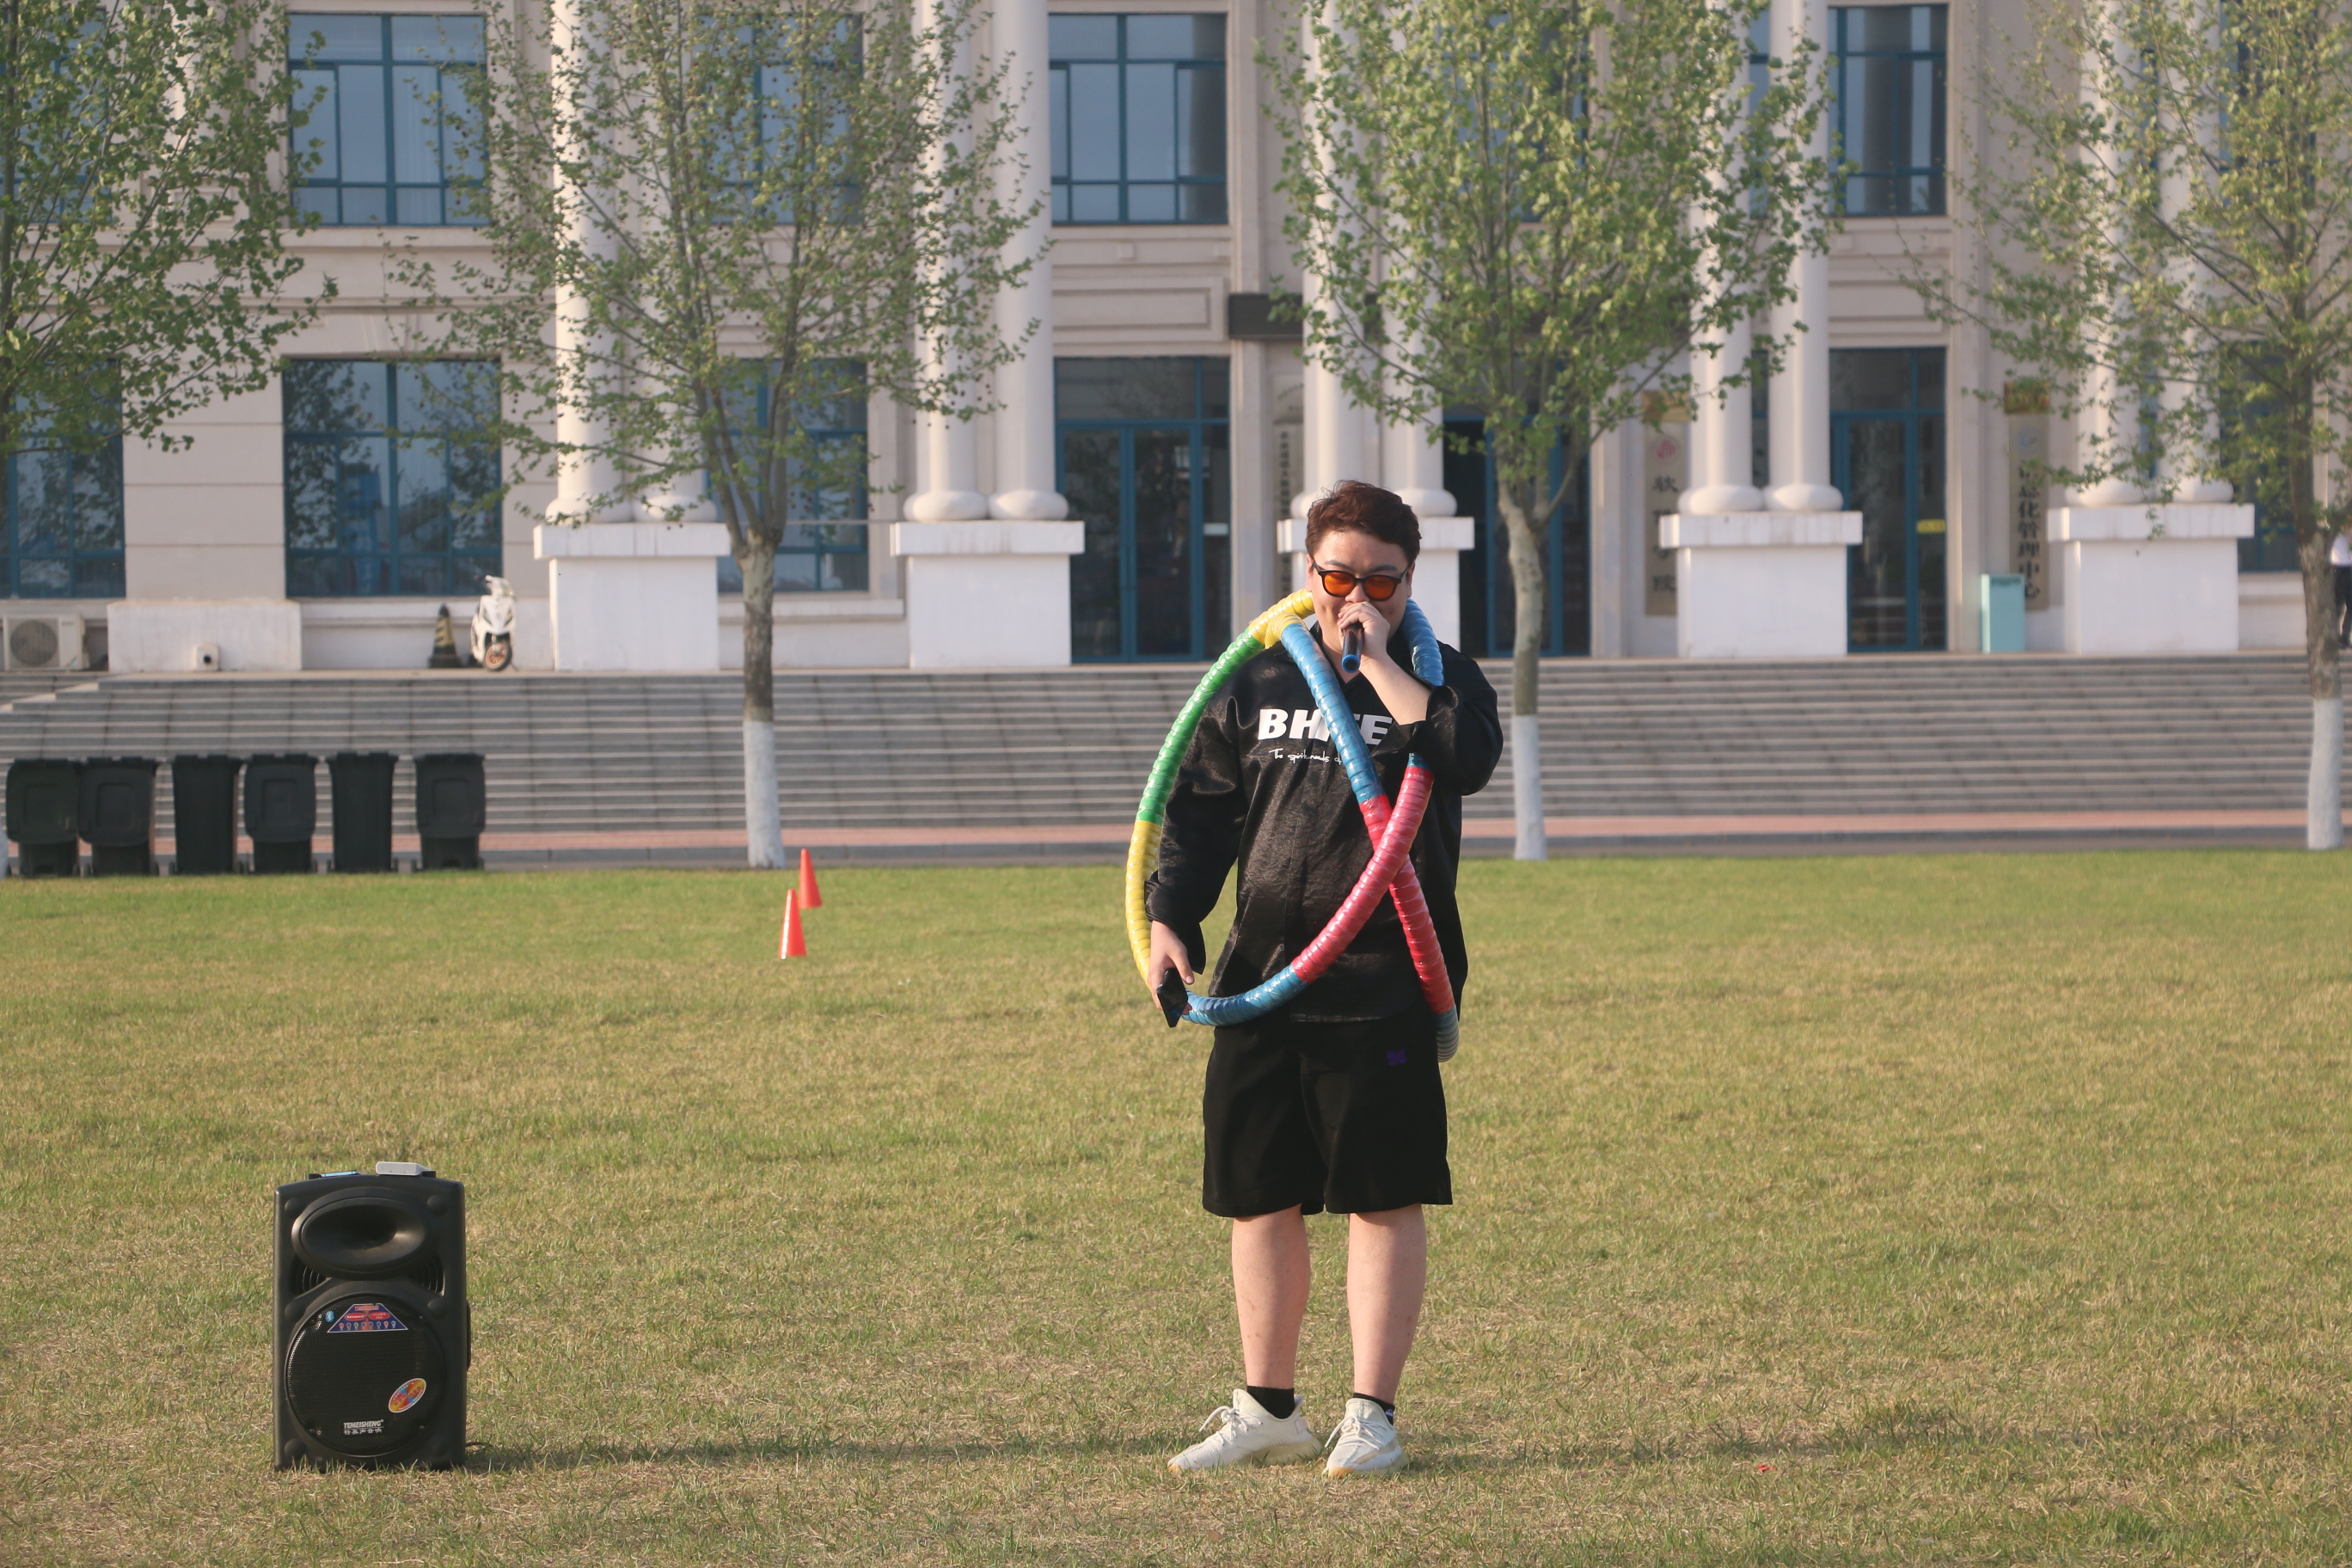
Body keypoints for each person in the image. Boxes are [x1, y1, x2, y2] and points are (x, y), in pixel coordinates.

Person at [1144, 480, 1502, 1478]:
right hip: (1265, 976)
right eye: (1337, 578)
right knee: (1258, 1197)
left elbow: (1466, 757)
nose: (1356, 597)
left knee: (1382, 1197)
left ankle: (1371, 1416)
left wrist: (1379, 661)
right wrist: (1171, 919)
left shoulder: (1442, 679)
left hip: (1384, 979)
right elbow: (1201, 812)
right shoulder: (1259, 677)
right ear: (1307, 573)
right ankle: (1268, 1409)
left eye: (1381, 581)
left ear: (1410, 580)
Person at [2333, 529, 2350, 650]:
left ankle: (2344, 636)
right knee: (2338, 606)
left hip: (2349, 566)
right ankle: (2335, 636)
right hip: (2338, 566)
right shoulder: (2335, 527)